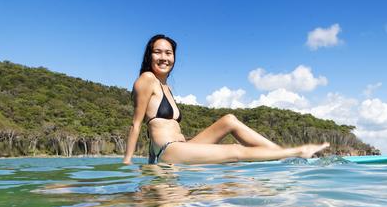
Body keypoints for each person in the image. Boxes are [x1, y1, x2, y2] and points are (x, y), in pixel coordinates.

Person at [122, 34, 329, 165]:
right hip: (167, 150)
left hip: (182, 146)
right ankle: (299, 151)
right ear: (149, 56)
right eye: (157, 52)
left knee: (229, 119)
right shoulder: (146, 79)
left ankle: (281, 155)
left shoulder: (166, 87)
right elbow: (136, 124)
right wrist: (127, 161)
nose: (164, 57)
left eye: (169, 53)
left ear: (174, 57)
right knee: (235, 151)